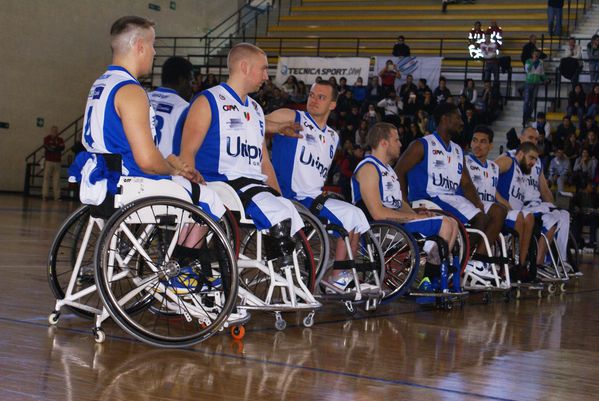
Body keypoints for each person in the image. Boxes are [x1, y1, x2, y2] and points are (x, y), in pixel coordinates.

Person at [179, 42, 305, 238]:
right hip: (220, 184)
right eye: (263, 69)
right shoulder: (208, 100)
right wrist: (195, 194)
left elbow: (264, 162)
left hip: (252, 187)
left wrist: (280, 196)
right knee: (279, 217)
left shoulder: (256, 109)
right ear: (245, 67)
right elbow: (188, 151)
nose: (266, 77)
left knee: (290, 212)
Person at [268, 81, 372, 289]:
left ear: (332, 105)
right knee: (349, 216)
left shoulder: (333, 136)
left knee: (358, 216)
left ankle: (345, 273)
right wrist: (277, 128)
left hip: (314, 196)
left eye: (321, 97)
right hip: (291, 196)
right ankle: (337, 277)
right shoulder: (292, 116)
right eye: (312, 95)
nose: (314, 100)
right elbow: (254, 123)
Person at [395, 103, 507, 275]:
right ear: (445, 119)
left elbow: (467, 184)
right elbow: (399, 171)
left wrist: (478, 204)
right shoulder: (421, 145)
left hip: (450, 198)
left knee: (485, 216)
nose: (462, 122)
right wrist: (405, 205)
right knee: (480, 220)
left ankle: (466, 261)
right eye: (458, 118)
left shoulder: (457, 150)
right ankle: (463, 262)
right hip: (429, 198)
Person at [351, 122, 459, 289]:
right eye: (397, 140)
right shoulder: (369, 168)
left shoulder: (389, 170)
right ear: (383, 142)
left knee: (451, 222)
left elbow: (398, 204)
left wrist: (419, 215)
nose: (400, 144)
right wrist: (414, 217)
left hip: (394, 226)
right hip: (377, 230)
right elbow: (377, 213)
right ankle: (428, 280)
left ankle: (435, 277)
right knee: (445, 224)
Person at [495, 127, 571, 271]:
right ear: (521, 139)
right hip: (524, 207)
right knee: (551, 219)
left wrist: (553, 206)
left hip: (535, 205)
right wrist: (500, 200)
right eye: (531, 138)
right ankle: (537, 263)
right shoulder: (510, 158)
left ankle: (559, 261)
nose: (535, 141)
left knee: (563, 215)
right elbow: (489, 175)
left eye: (537, 139)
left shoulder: (536, 163)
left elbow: (544, 190)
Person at [467, 126, 535, 280]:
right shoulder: (465, 161)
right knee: (497, 211)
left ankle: (483, 261)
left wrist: (504, 203)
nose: (478, 145)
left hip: (488, 211)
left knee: (499, 212)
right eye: (474, 141)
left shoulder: (492, 167)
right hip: (469, 207)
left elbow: (494, 193)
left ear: (491, 145)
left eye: (483, 142)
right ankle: (475, 259)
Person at [497, 142, 553, 281]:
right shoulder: (508, 161)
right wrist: (502, 201)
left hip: (516, 214)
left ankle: (520, 266)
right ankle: (510, 265)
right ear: (521, 154)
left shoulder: (522, 173)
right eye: (531, 158)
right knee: (522, 216)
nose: (533, 162)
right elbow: (487, 178)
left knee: (528, 217)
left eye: (535, 159)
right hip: (502, 212)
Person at [148, 56, 193, 158]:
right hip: (167, 170)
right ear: (182, 80)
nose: (191, 87)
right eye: (191, 81)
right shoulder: (185, 108)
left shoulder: (142, 96)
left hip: (136, 168)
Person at [523, 51, 546, 127]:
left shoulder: (541, 62)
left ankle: (529, 116)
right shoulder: (528, 61)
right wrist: (532, 62)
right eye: (534, 54)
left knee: (533, 101)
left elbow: (542, 72)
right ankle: (525, 117)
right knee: (527, 101)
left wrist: (545, 79)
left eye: (537, 54)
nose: (536, 55)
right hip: (529, 82)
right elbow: (527, 70)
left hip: (536, 83)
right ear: (532, 55)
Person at [42, 125, 65, 200]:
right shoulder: (47, 138)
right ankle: (45, 195)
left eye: (56, 131)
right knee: (46, 178)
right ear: (51, 131)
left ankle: (57, 196)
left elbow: (62, 148)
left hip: (57, 161)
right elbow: (48, 148)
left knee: (57, 180)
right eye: (53, 130)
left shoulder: (60, 139)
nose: (55, 132)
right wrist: (56, 148)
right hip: (49, 161)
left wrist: (54, 147)